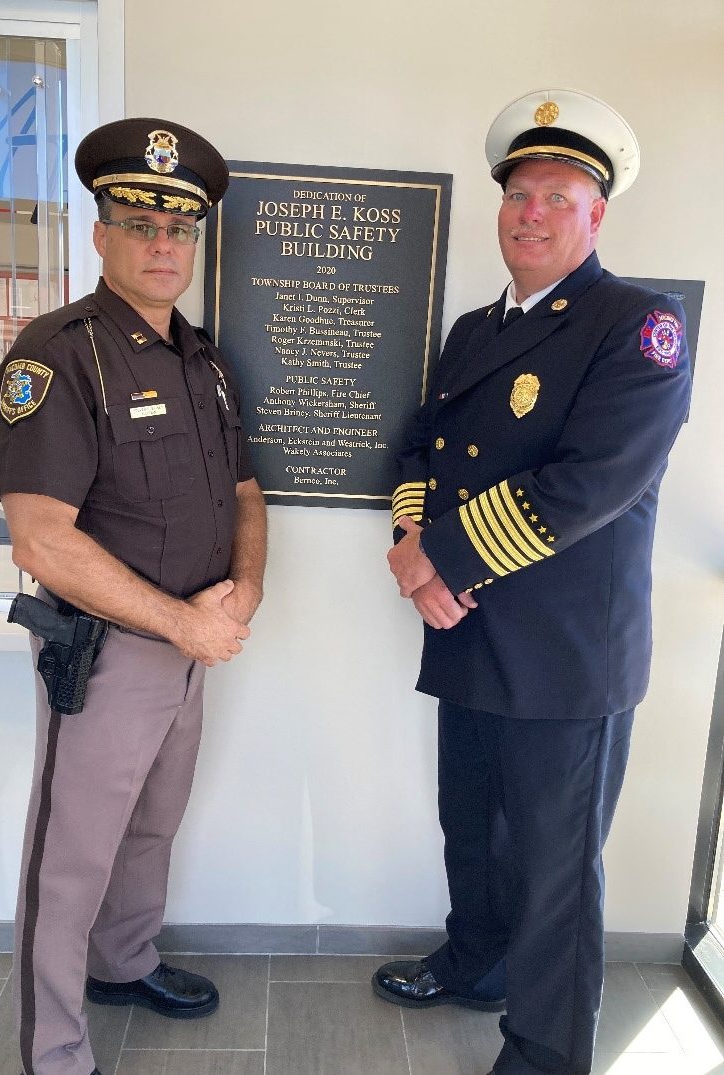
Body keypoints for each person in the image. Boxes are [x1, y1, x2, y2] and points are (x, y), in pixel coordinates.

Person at [375, 89, 691, 1075]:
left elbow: (592, 482)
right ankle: (476, 961)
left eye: (558, 195)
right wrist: (406, 542)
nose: (532, 211)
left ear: (596, 216)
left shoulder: (637, 327)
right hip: (462, 629)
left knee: (555, 872)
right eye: (519, 193)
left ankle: (546, 1051)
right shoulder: (475, 331)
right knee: (467, 826)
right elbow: (421, 445)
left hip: (565, 658)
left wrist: (442, 561)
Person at [0, 118, 267, 1075]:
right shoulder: (58, 354)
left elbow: (243, 492)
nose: (162, 243)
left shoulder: (204, 359)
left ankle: (122, 960)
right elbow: (42, 539)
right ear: (101, 232)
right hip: (107, 654)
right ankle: (52, 1049)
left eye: (179, 228)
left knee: (153, 821)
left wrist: (245, 591)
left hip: (198, 642)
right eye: (140, 220)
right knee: (68, 857)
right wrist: (185, 619)